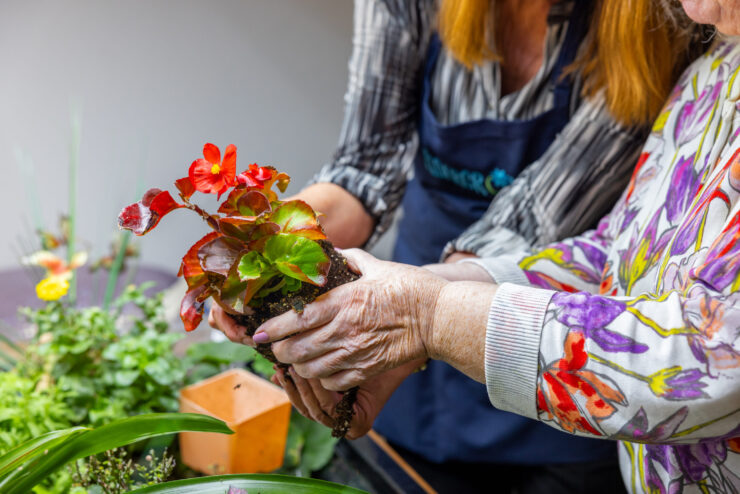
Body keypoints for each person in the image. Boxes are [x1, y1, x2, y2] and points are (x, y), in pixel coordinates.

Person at [237, 1, 740, 491]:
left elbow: (709, 357)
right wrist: (287, 254)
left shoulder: (651, 23)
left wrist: (425, 315)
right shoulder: (719, 66)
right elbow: (613, 251)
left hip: (565, 387)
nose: (695, 11)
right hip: (455, 328)